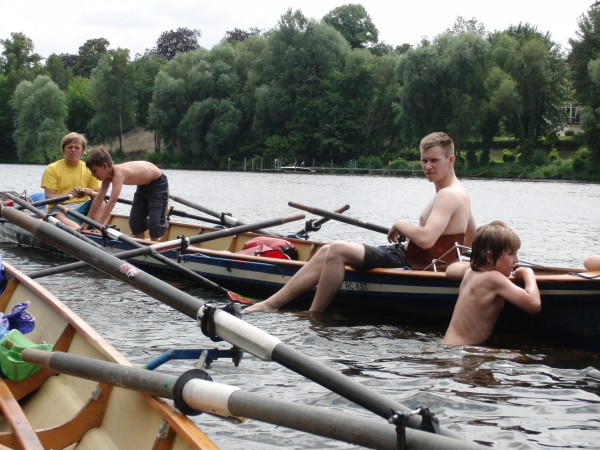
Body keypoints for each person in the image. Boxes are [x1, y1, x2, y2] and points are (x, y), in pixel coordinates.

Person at [244, 131, 476, 314]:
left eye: (434, 161)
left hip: (409, 261)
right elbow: (471, 238)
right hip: (412, 257)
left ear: (451, 159)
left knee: (336, 250)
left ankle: (314, 314)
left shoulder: (447, 195)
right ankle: (273, 303)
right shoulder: (461, 192)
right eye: (424, 160)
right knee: (326, 250)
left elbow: (426, 240)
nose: (427, 167)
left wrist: (400, 224)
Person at [443, 221, 541, 346]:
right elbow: (533, 304)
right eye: (512, 254)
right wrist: (528, 274)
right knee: (520, 358)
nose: (516, 260)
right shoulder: (493, 279)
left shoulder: (470, 271)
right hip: (466, 349)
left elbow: (449, 270)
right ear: (490, 257)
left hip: (449, 345)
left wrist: (472, 264)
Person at [84, 147, 169, 240]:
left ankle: (154, 245)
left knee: (154, 223)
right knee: (135, 221)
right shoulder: (107, 177)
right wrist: (86, 223)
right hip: (142, 186)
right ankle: (140, 244)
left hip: (158, 184)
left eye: (94, 171)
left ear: (104, 166)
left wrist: (100, 224)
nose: (92, 175)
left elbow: (112, 200)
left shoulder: (118, 174)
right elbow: (99, 198)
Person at [40, 132, 101, 229]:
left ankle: (97, 230)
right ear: (64, 150)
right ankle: (79, 231)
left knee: (102, 202)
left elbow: (99, 195)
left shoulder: (89, 169)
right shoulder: (52, 168)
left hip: (82, 206)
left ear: (83, 150)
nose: (73, 150)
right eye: (69, 147)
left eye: (77, 148)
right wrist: (69, 194)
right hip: (59, 208)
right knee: (57, 215)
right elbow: (49, 199)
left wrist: (89, 192)